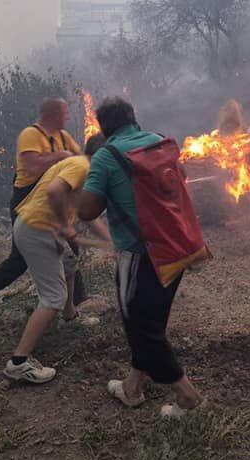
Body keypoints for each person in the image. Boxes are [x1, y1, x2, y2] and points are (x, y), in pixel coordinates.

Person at [77, 97, 206, 418]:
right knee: (151, 318)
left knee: (140, 326)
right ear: (133, 118)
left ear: (103, 128)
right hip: (177, 247)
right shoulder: (160, 142)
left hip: (140, 254)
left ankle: (189, 397)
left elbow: (88, 210)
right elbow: (182, 177)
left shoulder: (107, 157)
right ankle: (133, 387)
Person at [3, 134, 111, 384]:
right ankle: (18, 363)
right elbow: (53, 191)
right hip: (36, 230)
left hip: (39, 227)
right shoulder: (82, 166)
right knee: (53, 296)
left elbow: (87, 214)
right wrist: (64, 224)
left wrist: (109, 242)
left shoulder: (82, 168)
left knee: (70, 261)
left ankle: (70, 316)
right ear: (103, 156)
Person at [0, 98, 82, 324]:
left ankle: (75, 303)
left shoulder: (64, 137)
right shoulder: (31, 135)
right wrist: (60, 157)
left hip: (49, 200)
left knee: (70, 248)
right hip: (26, 202)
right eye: (64, 113)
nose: (67, 117)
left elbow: (77, 160)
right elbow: (32, 166)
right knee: (19, 260)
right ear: (51, 115)